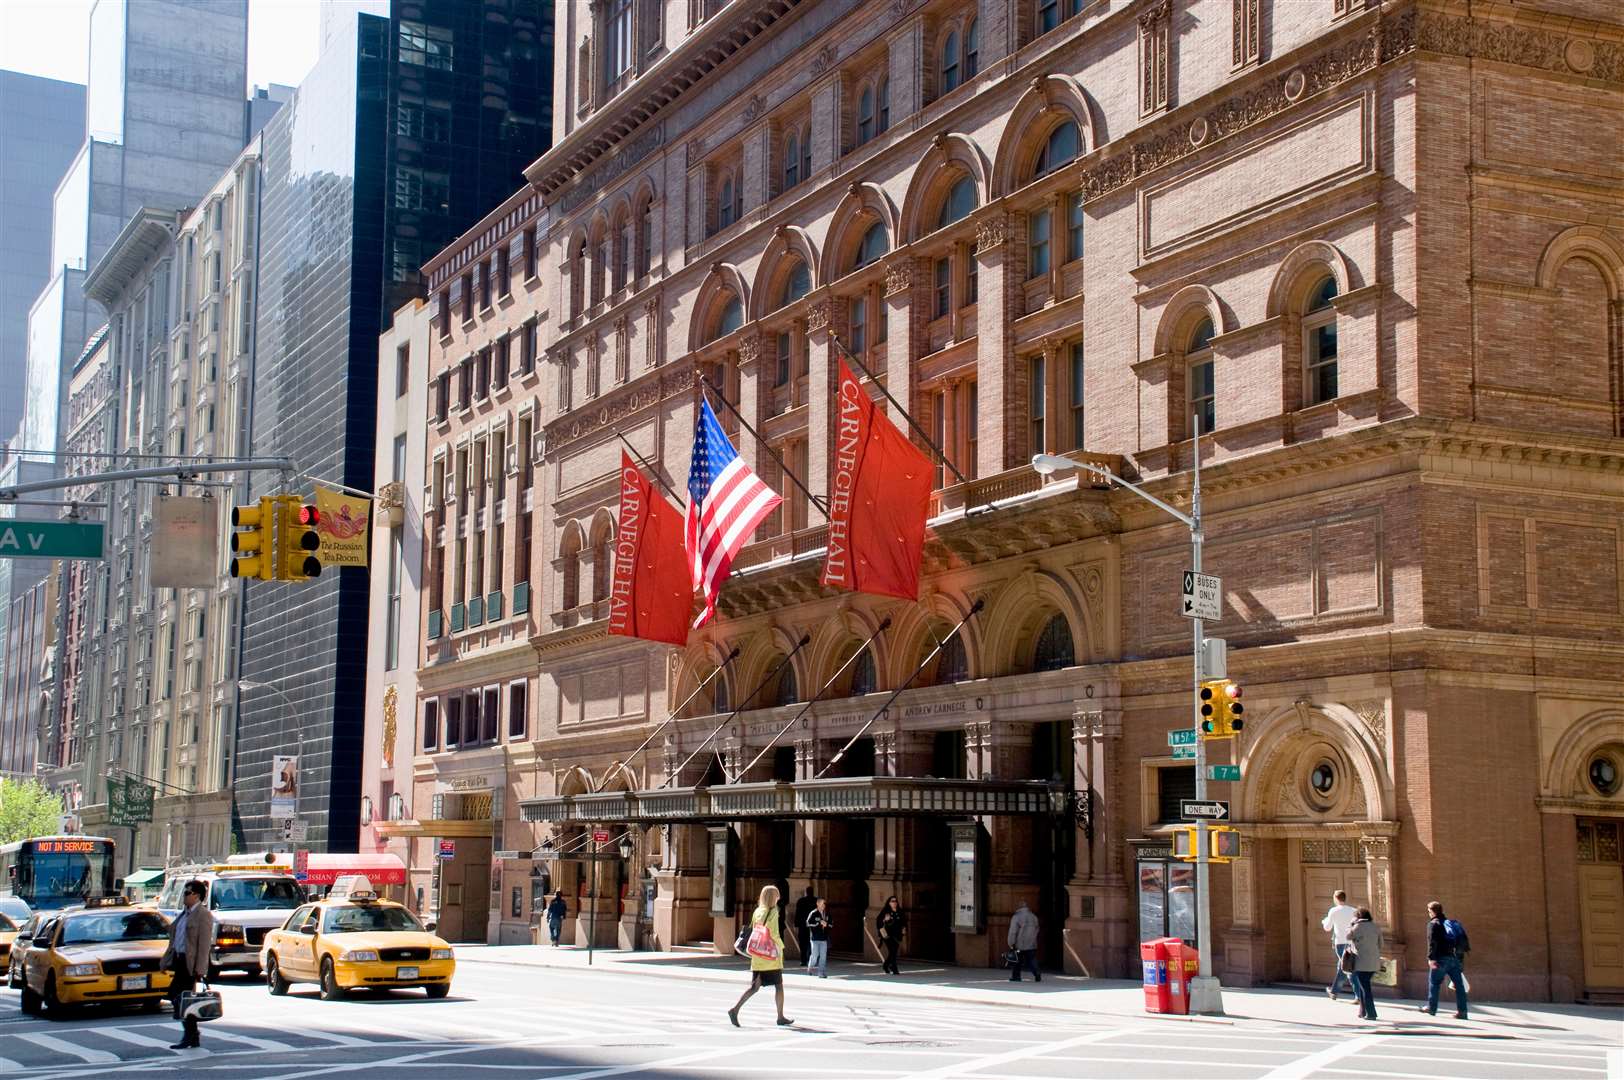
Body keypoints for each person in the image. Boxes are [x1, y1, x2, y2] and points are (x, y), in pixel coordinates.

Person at [161, 879, 214, 1050]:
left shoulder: (203, 915)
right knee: (180, 998)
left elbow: (204, 945)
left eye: (187, 893)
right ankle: (192, 1034)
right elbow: (175, 938)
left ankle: (190, 1034)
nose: (183, 896)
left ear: (196, 895)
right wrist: (166, 960)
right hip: (179, 959)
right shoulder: (185, 913)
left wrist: (200, 969)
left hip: (189, 963)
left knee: (178, 997)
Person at [728, 885, 792, 1027]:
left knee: (754, 987)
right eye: (777, 895)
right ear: (773, 897)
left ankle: (735, 1009)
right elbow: (773, 933)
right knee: (779, 985)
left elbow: (754, 928)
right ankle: (780, 1017)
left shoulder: (758, 911)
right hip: (770, 955)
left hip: (758, 955)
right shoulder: (774, 911)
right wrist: (780, 947)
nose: (779, 898)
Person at [1420, 900, 1468, 1019]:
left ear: (1432, 911)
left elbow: (1432, 942)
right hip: (1453, 958)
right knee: (1459, 986)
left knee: (1434, 983)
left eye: (1429, 911)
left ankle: (1432, 1008)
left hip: (1440, 959)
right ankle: (1462, 1012)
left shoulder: (1433, 924)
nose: (1429, 914)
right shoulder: (1449, 923)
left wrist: (1431, 958)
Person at [1321, 889, 1358, 1000]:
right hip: (1352, 943)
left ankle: (1358, 995)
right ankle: (1334, 991)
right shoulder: (1353, 910)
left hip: (1341, 942)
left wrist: (1324, 921)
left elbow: (1327, 927)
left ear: (1336, 899)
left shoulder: (1334, 911)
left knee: (1347, 968)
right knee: (1344, 966)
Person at [1347, 907, 1382, 1020]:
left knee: (1365, 988)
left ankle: (1371, 1013)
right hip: (1374, 962)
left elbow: (1347, 936)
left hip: (1361, 962)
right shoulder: (1375, 927)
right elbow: (1381, 944)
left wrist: (1352, 925)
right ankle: (1362, 1011)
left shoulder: (1357, 927)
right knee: (1363, 986)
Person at [1008, 899, 1041, 982]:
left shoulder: (1016, 917)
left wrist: (1011, 942)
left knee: (1017, 960)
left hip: (1020, 943)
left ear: (1019, 907)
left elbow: (1013, 931)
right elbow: (1037, 928)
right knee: (1032, 959)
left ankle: (1016, 976)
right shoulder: (1033, 916)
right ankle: (1037, 973)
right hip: (1032, 942)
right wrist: (1033, 938)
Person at [876, 895, 906, 975]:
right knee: (893, 950)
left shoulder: (900, 911)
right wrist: (884, 920)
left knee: (894, 951)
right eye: (892, 901)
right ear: (889, 903)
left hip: (897, 934)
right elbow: (879, 921)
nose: (894, 903)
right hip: (887, 934)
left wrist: (904, 928)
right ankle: (894, 967)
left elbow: (904, 921)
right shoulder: (886, 911)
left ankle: (886, 965)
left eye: (895, 901)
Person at [806, 896, 832, 978]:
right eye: (822, 903)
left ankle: (821, 972)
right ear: (817, 903)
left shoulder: (827, 914)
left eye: (824, 903)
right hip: (814, 938)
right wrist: (817, 924)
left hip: (824, 938)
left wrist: (826, 924)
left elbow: (831, 925)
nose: (824, 905)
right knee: (815, 955)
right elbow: (807, 923)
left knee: (823, 956)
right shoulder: (813, 913)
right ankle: (810, 966)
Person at [793, 886, 817, 968]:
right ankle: (811, 960)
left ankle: (803, 960)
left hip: (803, 926)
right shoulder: (816, 901)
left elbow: (798, 914)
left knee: (803, 944)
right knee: (812, 944)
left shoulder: (801, 901)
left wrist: (796, 925)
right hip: (813, 926)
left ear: (806, 892)